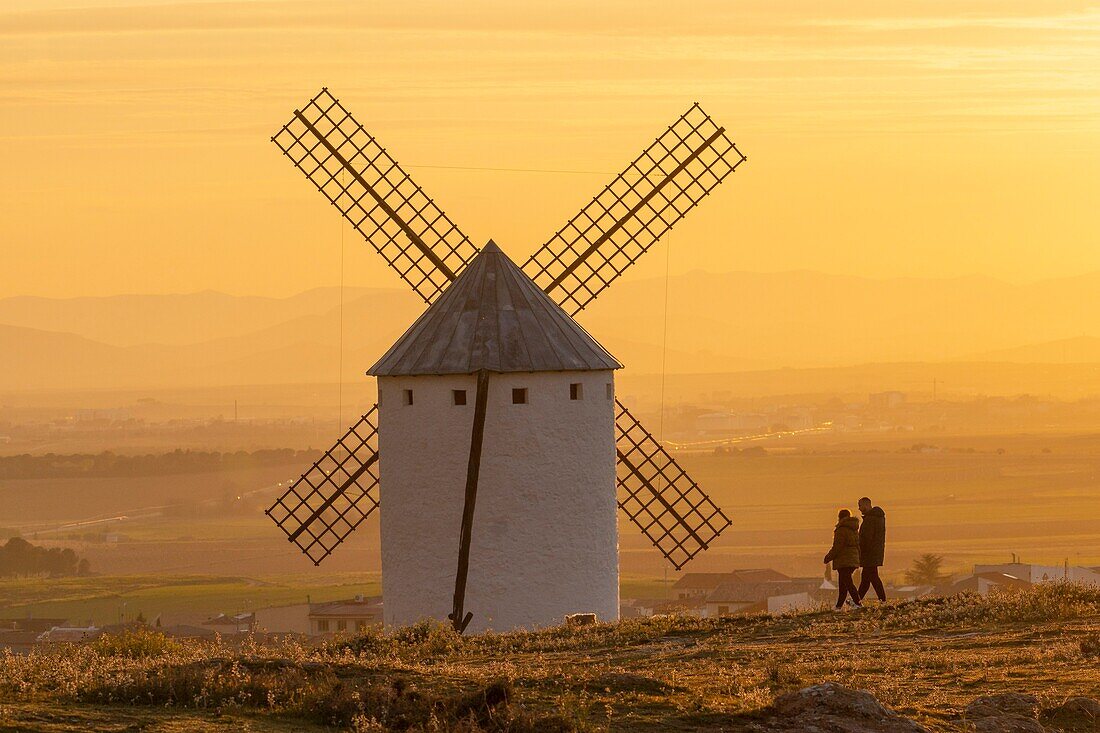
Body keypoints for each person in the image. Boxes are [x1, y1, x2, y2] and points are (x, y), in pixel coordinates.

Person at [824, 509, 861, 609]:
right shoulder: (854, 529)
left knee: (848, 583)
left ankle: (858, 603)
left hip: (844, 561)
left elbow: (837, 547)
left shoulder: (841, 530)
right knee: (843, 584)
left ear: (839, 518)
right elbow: (858, 545)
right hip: (853, 559)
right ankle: (838, 606)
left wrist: (828, 557)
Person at [857, 496, 887, 602]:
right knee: (866, 578)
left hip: (869, 553)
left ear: (866, 505)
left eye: (860, 505)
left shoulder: (870, 520)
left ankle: (882, 599)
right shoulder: (878, 518)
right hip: (874, 552)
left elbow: (866, 538)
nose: (859, 508)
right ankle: (857, 600)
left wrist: (861, 550)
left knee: (872, 577)